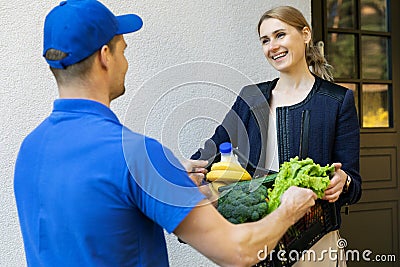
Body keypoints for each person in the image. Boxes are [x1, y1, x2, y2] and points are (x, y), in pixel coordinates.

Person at [13, 1, 318, 266]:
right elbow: (238, 252)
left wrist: (166, 178)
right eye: (123, 51)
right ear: (105, 56)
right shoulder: (136, 155)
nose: (125, 62)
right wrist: (290, 208)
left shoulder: (29, 149)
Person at [192, 5, 362, 266]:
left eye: (280, 35)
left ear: (305, 34)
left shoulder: (337, 101)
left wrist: (344, 181)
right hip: (258, 239)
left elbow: (354, 183)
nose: (273, 46)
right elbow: (209, 154)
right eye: (265, 40)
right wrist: (188, 177)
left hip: (314, 246)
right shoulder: (251, 98)